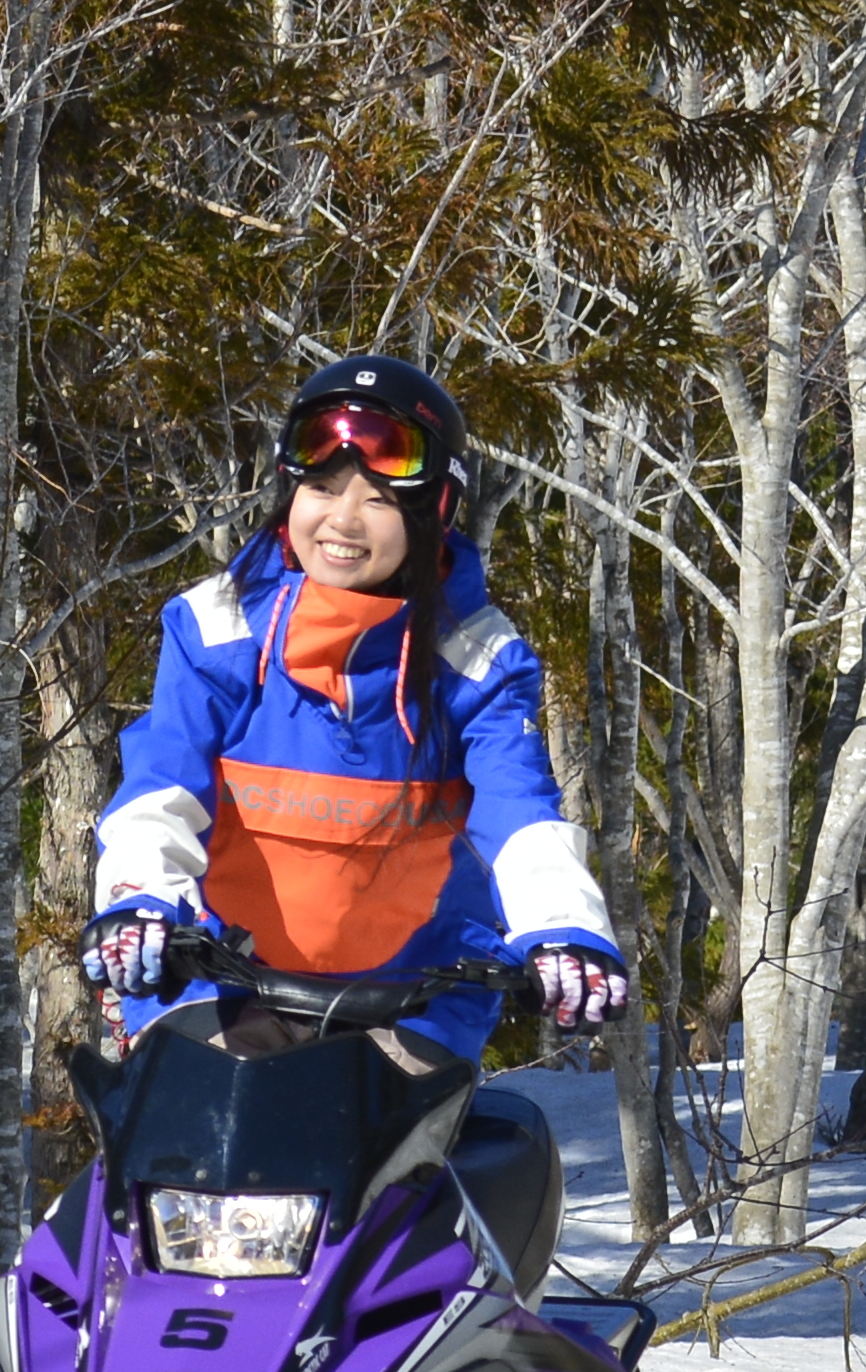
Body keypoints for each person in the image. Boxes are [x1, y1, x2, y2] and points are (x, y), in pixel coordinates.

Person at [84, 352, 630, 1075]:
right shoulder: (217, 629)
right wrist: (142, 899)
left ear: (432, 513)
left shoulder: (477, 660)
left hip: (410, 1004)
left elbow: (519, 813)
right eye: (322, 487)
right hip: (218, 986)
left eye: (378, 499)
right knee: (184, 1139)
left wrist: (564, 926)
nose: (342, 519)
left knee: (404, 1147)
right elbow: (160, 790)